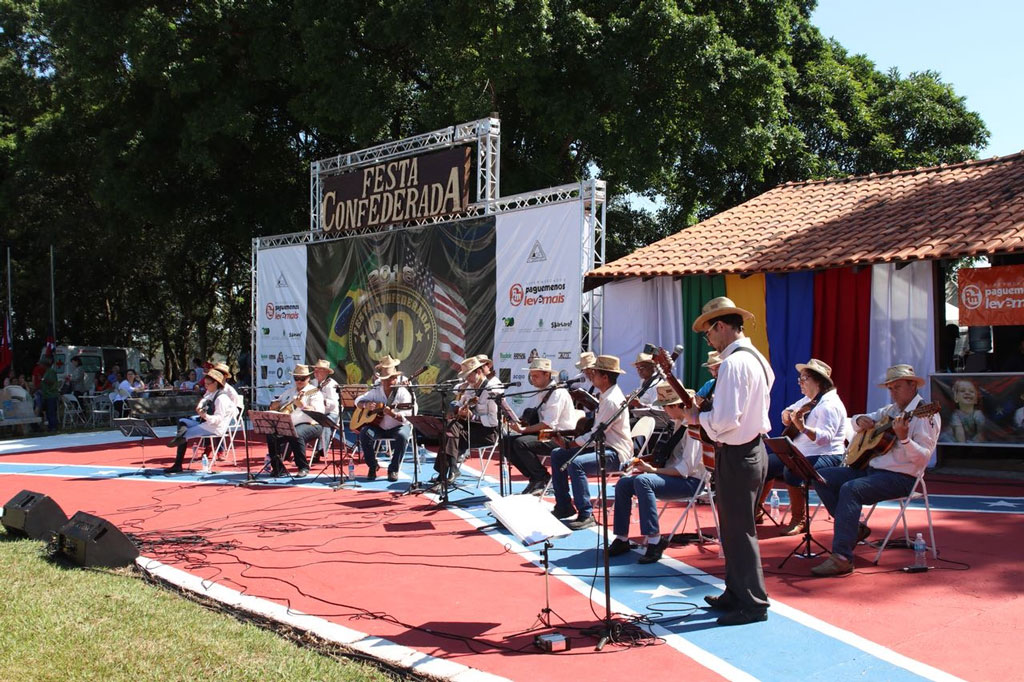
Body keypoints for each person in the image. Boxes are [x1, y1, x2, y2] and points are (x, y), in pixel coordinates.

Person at [683, 296, 774, 626]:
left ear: (721, 327)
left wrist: (696, 418)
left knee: (739, 531)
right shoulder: (756, 359)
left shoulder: (735, 363)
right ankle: (737, 592)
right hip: (749, 449)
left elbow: (725, 420)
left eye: (708, 333)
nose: (708, 340)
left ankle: (752, 602)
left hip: (738, 452)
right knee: (735, 530)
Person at [811, 364, 940, 577]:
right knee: (820, 476)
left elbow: (922, 459)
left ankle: (842, 557)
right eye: (890, 388)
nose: (892, 392)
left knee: (850, 489)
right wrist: (859, 420)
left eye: (897, 387)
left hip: (902, 478)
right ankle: (855, 528)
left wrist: (904, 438)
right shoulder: (891, 411)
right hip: (872, 471)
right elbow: (855, 422)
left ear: (912, 385)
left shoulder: (926, 415)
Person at [609, 382, 706, 563]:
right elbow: (668, 456)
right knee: (624, 483)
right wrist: (645, 463)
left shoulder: (693, 428)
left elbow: (685, 469)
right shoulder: (678, 423)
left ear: (676, 406)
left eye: (666, 407)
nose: (664, 412)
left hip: (690, 482)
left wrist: (653, 470)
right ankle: (621, 538)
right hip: (672, 477)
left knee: (643, 481)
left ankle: (655, 540)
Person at [549, 354, 632, 530]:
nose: (591, 376)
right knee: (557, 455)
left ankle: (586, 514)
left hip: (615, 452)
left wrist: (569, 443)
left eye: (595, 373)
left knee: (575, 464)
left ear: (605, 377)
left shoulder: (610, 400)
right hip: (603, 447)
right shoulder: (606, 395)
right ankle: (564, 505)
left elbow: (596, 434)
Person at [772, 359, 849, 535]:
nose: (800, 382)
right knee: (765, 464)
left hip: (828, 455)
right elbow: (789, 410)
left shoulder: (829, 405)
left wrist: (803, 428)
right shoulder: (810, 399)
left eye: (804, 378)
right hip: (803, 451)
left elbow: (825, 439)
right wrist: (786, 415)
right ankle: (756, 512)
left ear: (818, 382)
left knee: (791, 470)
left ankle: (799, 519)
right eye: (799, 379)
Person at [504, 358, 576, 494]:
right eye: (531, 376)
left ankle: (542, 478)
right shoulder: (544, 391)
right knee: (506, 441)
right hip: (547, 434)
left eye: (536, 376)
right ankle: (535, 478)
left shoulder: (557, 393)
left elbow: (549, 424)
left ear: (547, 375)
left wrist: (524, 429)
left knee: (521, 443)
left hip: (560, 436)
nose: (532, 379)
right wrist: (521, 423)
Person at [435, 356, 501, 484]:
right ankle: (451, 470)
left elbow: (494, 421)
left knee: (449, 433)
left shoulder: (491, 391)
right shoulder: (470, 388)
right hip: (470, 429)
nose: (467, 379)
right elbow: (460, 403)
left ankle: (444, 473)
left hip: (487, 433)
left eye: (469, 375)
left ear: (479, 372)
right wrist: (459, 410)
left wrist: (473, 417)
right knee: (448, 429)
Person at [164, 369, 236, 473]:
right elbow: (204, 398)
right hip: (205, 423)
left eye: (208, 384)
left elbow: (218, 419)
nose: (205, 386)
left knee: (185, 433)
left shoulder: (222, 398)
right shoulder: (211, 392)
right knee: (182, 421)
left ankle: (178, 460)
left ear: (216, 383)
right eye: (205, 384)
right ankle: (180, 438)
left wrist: (205, 415)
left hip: (214, 427)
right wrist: (200, 407)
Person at [354, 356, 413, 481]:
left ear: (395, 378)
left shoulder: (402, 393)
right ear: (381, 380)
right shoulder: (376, 391)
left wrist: (393, 414)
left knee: (403, 436)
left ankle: (393, 469)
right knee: (365, 433)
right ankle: (372, 465)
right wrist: (366, 405)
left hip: (398, 427)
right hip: (379, 427)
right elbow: (357, 401)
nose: (388, 382)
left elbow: (408, 417)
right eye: (385, 379)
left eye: (391, 378)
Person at [265, 364, 325, 478]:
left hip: (312, 424)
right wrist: (275, 405)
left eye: (302, 378)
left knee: (296, 434)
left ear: (308, 378)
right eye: (296, 378)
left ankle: (303, 467)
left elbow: (318, 413)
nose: (299, 381)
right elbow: (276, 404)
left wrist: (302, 406)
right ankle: (278, 468)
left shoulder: (314, 392)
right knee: (271, 434)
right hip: (289, 424)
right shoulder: (289, 392)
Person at [312, 358, 341, 460]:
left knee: (324, 422)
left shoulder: (331, 384)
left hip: (331, 413)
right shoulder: (312, 383)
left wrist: (321, 401)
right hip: (315, 412)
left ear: (326, 372)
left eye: (319, 369)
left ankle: (320, 451)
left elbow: (333, 404)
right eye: (315, 369)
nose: (316, 371)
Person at [948, 378, 984, 443]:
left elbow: (982, 434)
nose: (967, 393)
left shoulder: (978, 414)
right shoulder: (956, 415)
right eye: (962, 391)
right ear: (956, 398)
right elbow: (960, 438)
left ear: (976, 399)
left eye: (971, 391)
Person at [40, 357, 59, 431]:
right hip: (46, 395)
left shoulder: (51, 371)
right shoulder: (47, 371)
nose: (40, 366)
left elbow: (52, 382)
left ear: (45, 365)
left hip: (51, 395)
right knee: (48, 412)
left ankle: (53, 427)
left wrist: (44, 380)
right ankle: (51, 426)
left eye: (41, 364)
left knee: (51, 412)